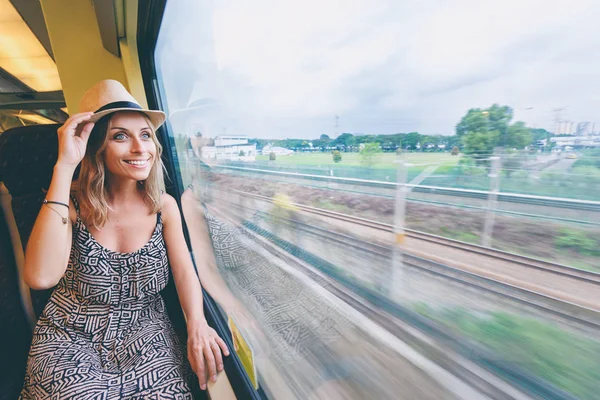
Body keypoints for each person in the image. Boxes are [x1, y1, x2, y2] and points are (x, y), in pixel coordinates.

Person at [19, 80, 229, 399]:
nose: (139, 148)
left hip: (146, 333)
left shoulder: (163, 206)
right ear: (96, 147)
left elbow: (185, 272)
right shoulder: (72, 206)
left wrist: (197, 323)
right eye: (120, 136)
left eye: (145, 135)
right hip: (71, 333)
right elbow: (39, 277)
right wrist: (64, 167)